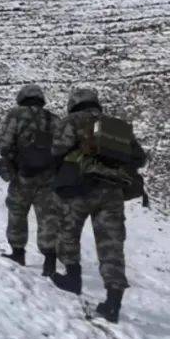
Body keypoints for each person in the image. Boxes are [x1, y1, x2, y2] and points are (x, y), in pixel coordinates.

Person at [50, 88, 147, 324]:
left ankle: (72, 278)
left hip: (80, 188)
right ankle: (113, 303)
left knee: (68, 233)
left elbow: (57, 150)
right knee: (111, 246)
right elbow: (140, 158)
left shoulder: (71, 121)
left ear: (74, 104)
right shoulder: (115, 125)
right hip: (112, 192)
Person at [0, 84, 61, 273]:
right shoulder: (53, 119)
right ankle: (50, 261)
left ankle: (18, 253)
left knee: (17, 212)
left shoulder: (15, 115)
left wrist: (9, 159)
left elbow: (5, 143)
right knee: (48, 217)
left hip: (22, 174)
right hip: (48, 176)